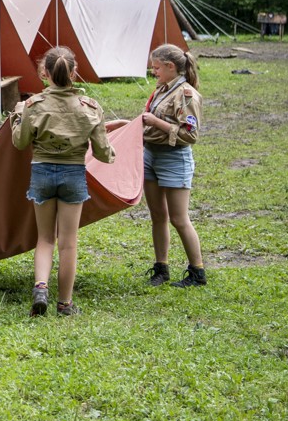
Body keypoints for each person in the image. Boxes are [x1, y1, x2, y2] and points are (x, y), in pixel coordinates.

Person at [11, 46, 115, 316]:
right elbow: (103, 154)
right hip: (73, 175)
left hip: (42, 173)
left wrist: (17, 118)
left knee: (45, 238)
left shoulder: (33, 106)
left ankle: (41, 287)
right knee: (68, 243)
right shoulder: (90, 108)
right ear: (74, 72)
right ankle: (65, 304)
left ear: (44, 73)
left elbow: (20, 143)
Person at [140, 44, 205, 288]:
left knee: (179, 218)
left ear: (170, 66)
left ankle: (197, 272)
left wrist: (156, 122)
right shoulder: (162, 89)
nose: (153, 71)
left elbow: (190, 135)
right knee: (158, 216)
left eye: (156, 67)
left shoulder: (186, 94)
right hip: (151, 155)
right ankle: (161, 268)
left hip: (174, 159)